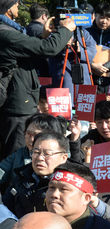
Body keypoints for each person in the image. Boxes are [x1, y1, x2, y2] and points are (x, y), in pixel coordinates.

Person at [0, 1, 75, 158]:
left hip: (17, 101)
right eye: (15, 3)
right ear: (7, 8)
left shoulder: (8, 30)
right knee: (15, 156)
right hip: (17, 106)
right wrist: (66, 30)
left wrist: (43, 36)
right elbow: (48, 48)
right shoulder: (6, 33)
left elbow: (24, 55)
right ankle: (11, 182)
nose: (18, 5)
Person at [3, 131, 72, 217]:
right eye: (36, 152)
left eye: (47, 154)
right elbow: (5, 207)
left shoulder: (70, 185)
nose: (40, 158)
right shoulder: (21, 176)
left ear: (63, 158)